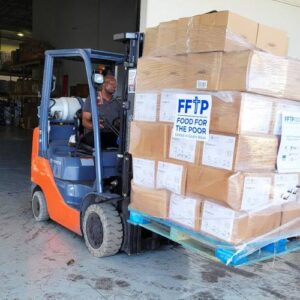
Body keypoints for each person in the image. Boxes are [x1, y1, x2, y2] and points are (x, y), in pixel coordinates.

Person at [81, 75, 121, 149]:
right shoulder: (92, 99)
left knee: (123, 143)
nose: (114, 86)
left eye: (115, 84)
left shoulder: (117, 103)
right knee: (100, 142)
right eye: (111, 83)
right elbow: (85, 121)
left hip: (112, 133)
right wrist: (95, 126)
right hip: (95, 133)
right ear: (103, 84)